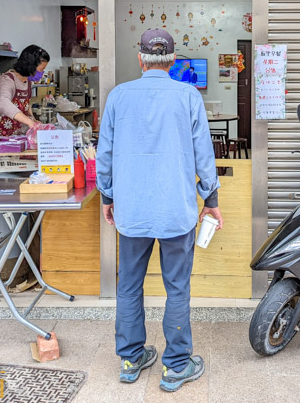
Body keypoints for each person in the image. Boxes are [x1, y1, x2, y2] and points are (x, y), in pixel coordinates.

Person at [97, 28, 222, 393]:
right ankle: (176, 366)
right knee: (177, 287)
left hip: (131, 211)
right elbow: (204, 156)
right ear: (172, 60)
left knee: (129, 286)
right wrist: (210, 202)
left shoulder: (118, 96)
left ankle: (131, 359)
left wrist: (108, 198)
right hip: (175, 211)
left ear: (140, 58)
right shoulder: (187, 95)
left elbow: (105, 154)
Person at [0, 44, 50, 142]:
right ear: (30, 66)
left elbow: (26, 105)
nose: (42, 73)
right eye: (41, 70)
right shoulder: (6, 81)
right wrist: (29, 122)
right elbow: (3, 103)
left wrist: (33, 120)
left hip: (13, 137)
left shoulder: (27, 82)